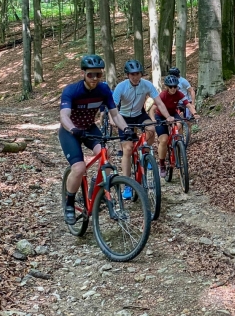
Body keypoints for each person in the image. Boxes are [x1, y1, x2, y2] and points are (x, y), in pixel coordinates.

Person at [59, 55, 133, 225]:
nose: (94, 78)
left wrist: (126, 129)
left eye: (98, 75)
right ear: (83, 73)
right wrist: (73, 129)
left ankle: (96, 192)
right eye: (90, 74)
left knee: (106, 160)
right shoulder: (72, 90)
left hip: (90, 129)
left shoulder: (104, 90)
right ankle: (69, 203)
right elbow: (64, 115)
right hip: (70, 131)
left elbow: (115, 114)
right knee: (79, 168)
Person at [113, 59, 176, 198]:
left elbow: (159, 102)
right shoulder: (121, 87)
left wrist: (168, 116)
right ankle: (127, 186)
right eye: (132, 74)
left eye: (138, 74)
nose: (135, 77)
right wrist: (113, 120)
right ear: (127, 75)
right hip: (123, 118)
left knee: (152, 128)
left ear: (141, 74)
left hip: (139, 114)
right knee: (128, 149)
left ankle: (145, 151)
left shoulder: (146, 85)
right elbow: (113, 107)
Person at [149, 75, 200, 177]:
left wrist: (194, 114)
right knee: (163, 140)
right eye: (171, 87)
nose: (173, 89)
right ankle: (162, 164)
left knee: (180, 124)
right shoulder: (163, 95)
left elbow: (188, 105)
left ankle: (177, 143)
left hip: (172, 114)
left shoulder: (179, 94)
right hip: (160, 116)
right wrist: (154, 120)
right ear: (167, 87)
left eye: (175, 86)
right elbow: (152, 110)